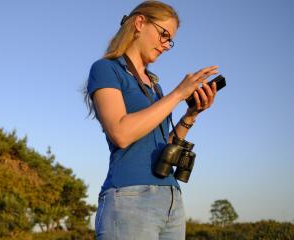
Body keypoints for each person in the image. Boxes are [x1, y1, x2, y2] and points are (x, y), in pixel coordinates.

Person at [84, 1, 219, 239]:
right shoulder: (106, 69)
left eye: (170, 40)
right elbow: (121, 134)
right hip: (130, 198)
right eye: (164, 35)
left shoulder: (155, 86)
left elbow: (161, 145)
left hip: (171, 201)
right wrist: (177, 95)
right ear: (140, 23)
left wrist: (191, 115)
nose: (166, 45)